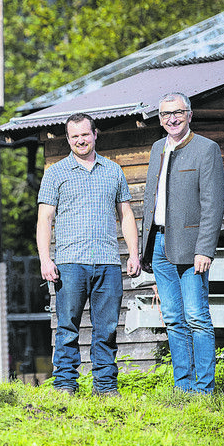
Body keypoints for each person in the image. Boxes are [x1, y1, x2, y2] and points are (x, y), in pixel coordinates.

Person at [36, 113, 141, 396]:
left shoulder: (113, 170)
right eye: (74, 136)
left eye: (85, 134)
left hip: (107, 261)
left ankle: (105, 386)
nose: (80, 140)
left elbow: (126, 215)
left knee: (106, 328)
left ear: (95, 134)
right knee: (67, 327)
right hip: (70, 262)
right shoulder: (56, 173)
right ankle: (65, 385)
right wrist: (45, 259)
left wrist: (134, 254)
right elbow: (45, 219)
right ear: (68, 139)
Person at [139, 93, 224, 394]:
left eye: (178, 112)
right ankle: (183, 388)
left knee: (197, 317)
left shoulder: (206, 148)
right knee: (174, 319)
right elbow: (150, 199)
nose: (172, 119)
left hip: (191, 247)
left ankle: (204, 390)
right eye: (165, 114)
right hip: (159, 243)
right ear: (160, 119)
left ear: (190, 114)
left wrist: (205, 249)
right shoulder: (157, 148)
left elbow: (213, 204)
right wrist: (145, 246)